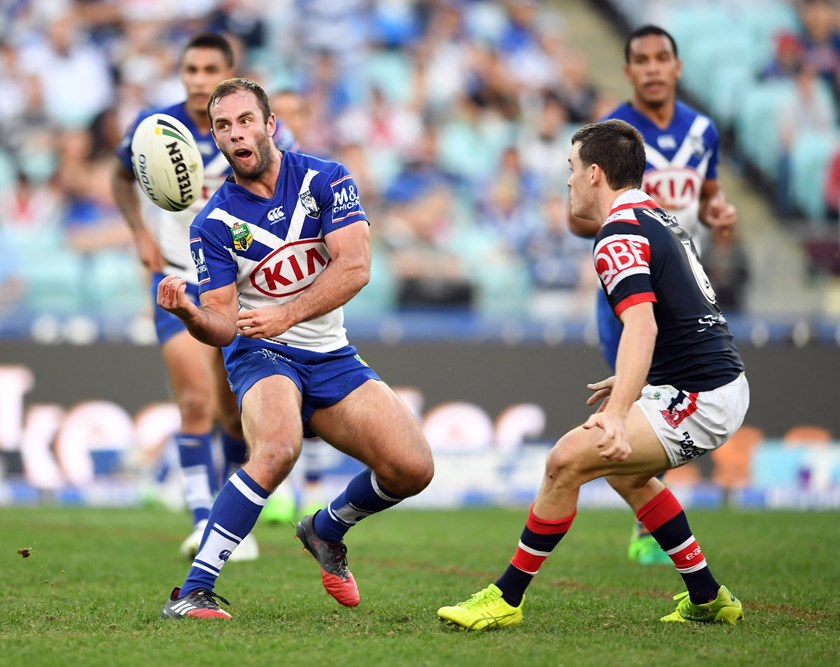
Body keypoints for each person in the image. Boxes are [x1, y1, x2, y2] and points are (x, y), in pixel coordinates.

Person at [437, 118, 749, 631]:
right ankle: (708, 596)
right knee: (628, 476)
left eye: (571, 167)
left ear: (595, 174)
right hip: (707, 383)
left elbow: (643, 326)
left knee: (564, 462)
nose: (567, 180)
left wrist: (620, 413)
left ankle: (505, 599)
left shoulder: (618, 233)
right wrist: (644, 382)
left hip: (702, 393)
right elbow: (681, 317)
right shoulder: (658, 218)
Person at [158, 78, 434, 619]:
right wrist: (191, 313)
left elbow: (355, 267)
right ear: (214, 138)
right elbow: (220, 323)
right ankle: (192, 590)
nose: (235, 133)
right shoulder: (212, 223)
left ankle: (327, 527)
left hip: (331, 355)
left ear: (269, 125)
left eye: (244, 120)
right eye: (222, 126)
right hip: (263, 355)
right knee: (278, 447)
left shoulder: (326, 178)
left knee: (413, 469)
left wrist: (283, 313)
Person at [571, 24, 738, 566]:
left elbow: (709, 194)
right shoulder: (612, 133)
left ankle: (660, 528)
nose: (651, 67)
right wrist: (611, 223)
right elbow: (577, 215)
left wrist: (718, 211)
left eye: (660, 57)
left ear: (677, 67)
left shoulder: (702, 132)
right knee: (640, 406)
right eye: (640, 59)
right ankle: (655, 530)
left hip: (682, 291)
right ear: (628, 72)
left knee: (647, 411)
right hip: (629, 290)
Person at [112, 33, 270, 561]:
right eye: (191, 69)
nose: (198, 79)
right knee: (196, 402)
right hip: (178, 278)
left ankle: (232, 519)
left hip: (234, 286)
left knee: (232, 408)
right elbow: (118, 178)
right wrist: (138, 231)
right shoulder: (154, 128)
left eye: (209, 69)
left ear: (229, 72)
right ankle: (203, 523)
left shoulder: (248, 129)